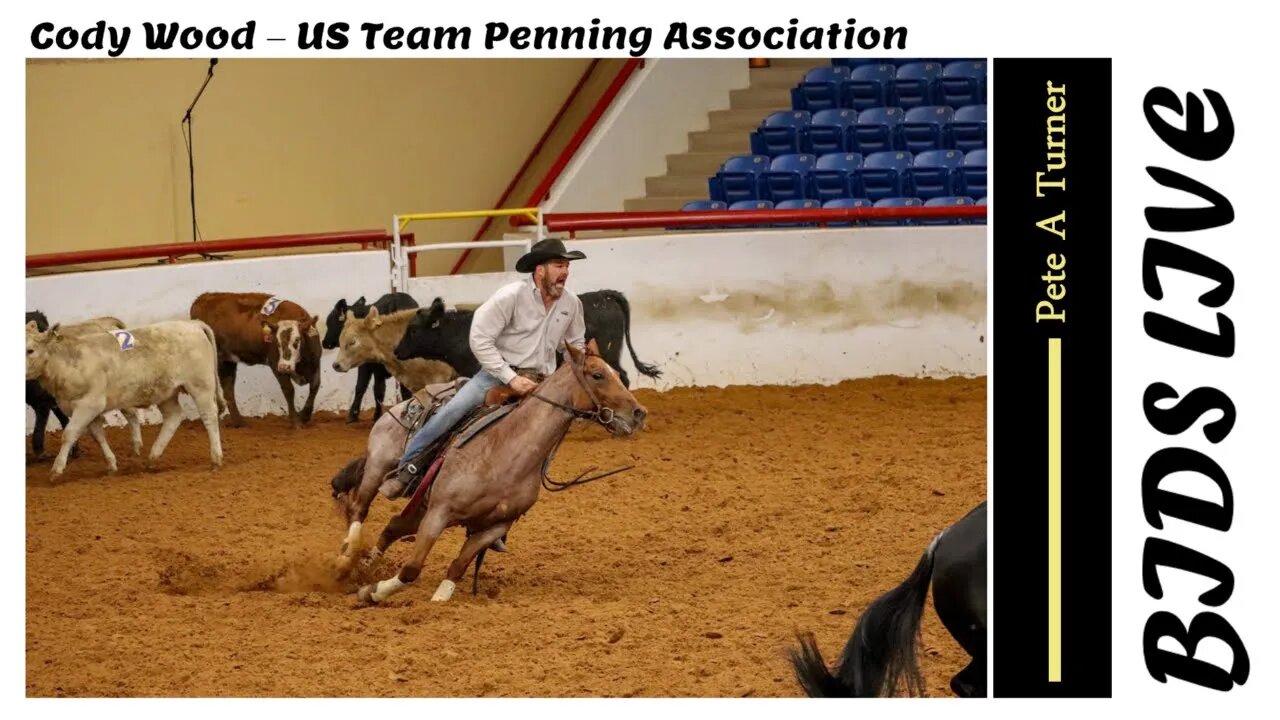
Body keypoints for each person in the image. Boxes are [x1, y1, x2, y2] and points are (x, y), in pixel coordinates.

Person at [379, 238, 589, 537]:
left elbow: (575, 345)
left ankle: (495, 515)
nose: (565, 271)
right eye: (559, 265)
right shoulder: (511, 296)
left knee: (541, 444)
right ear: (539, 270)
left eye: (567, 266)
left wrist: (583, 366)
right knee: (452, 412)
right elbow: (479, 337)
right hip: (497, 377)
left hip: (542, 383)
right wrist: (510, 377)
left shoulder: (571, 304)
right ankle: (407, 468)